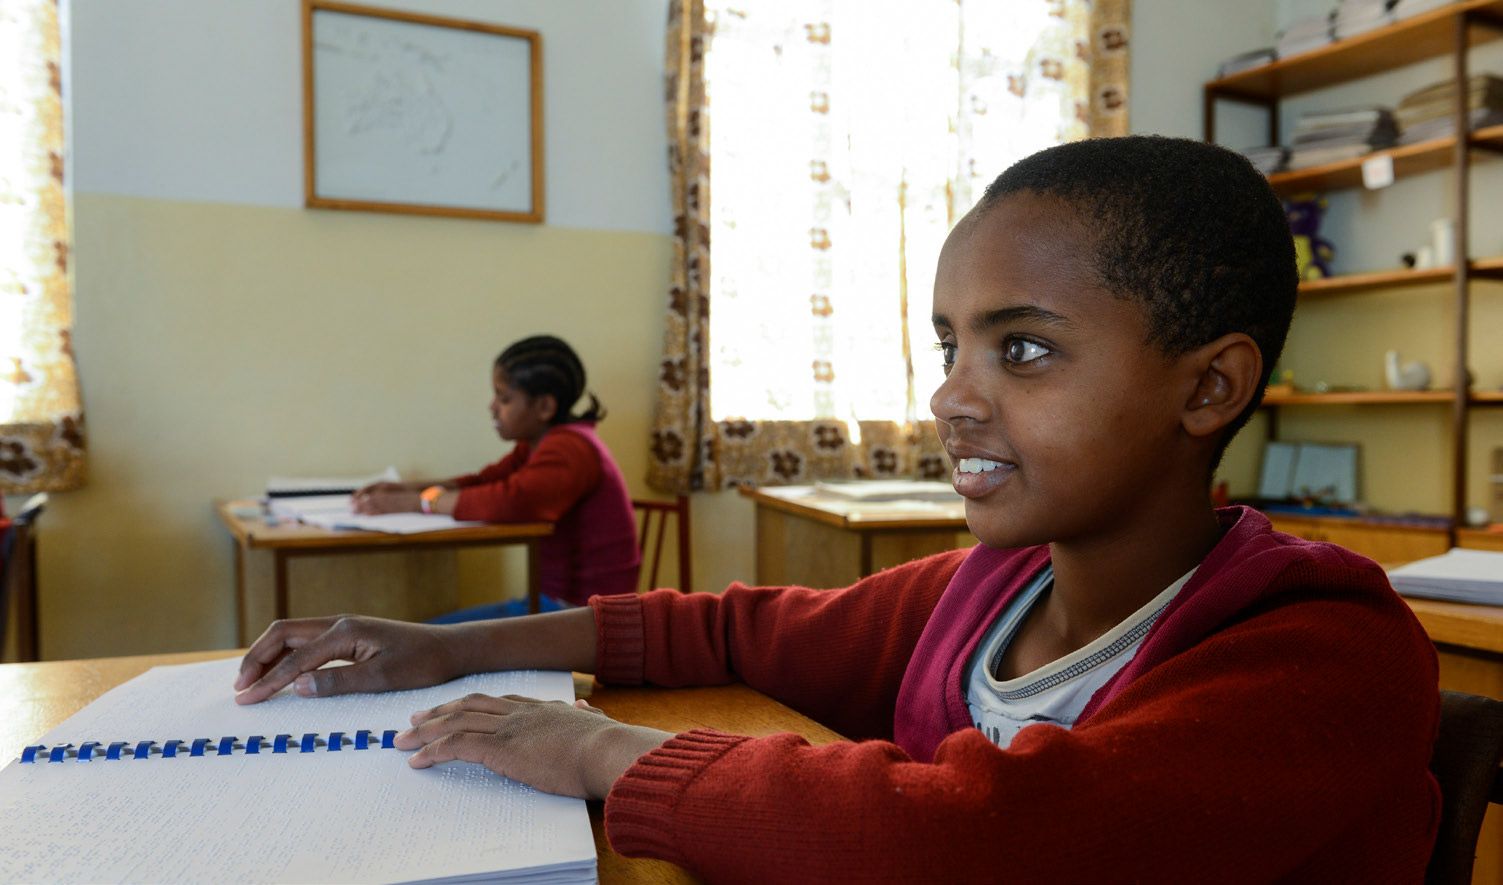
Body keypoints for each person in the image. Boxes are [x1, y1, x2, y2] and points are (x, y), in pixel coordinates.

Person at [234, 137, 1440, 881]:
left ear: (1209, 385)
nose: (950, 396)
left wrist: (602, 751)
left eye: (1022, 350)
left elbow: (974, 845)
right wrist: (441, 649)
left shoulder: (1323, 651)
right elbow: (727, 630)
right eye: (947, 342)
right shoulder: (995, 592)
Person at [353, 335, 640, 610]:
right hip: (556, 606)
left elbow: (512, 500)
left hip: (584, 615)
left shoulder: (569, 449)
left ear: (544, 406)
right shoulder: (540, 444)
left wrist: (417, 502)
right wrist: (407, 489)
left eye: (503, 398)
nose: (492, 407)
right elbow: (485, 481)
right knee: (426, 637)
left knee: (426, 641)